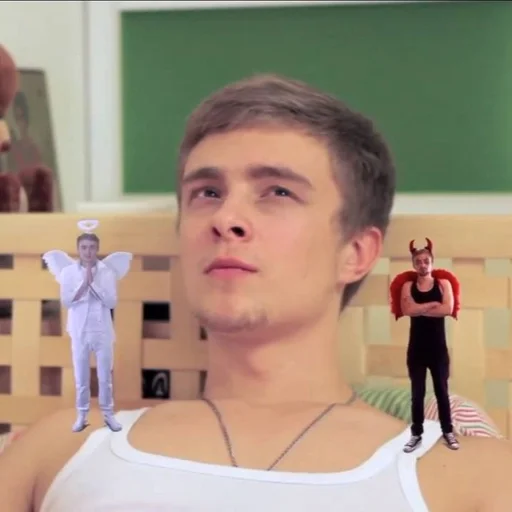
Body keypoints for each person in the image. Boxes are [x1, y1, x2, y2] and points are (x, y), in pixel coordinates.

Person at [0, 74, 511, 511]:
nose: (226, 218)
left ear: (355, 252)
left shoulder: (469, 475)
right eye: (207, 193)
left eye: (278, 192)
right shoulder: (62, 448)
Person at [42, 220, 132, 434]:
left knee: (104, 377)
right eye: (84, 247)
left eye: (92, 247)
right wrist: (83, 284)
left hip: (102, 331)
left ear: (97, 248)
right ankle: (82, 415)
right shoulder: (68, 273)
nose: (88, 251)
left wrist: (94, 284)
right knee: (81, 377)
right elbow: (67, 302)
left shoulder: (106, 272)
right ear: (78, 249)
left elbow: (111, 302)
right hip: (79, 331)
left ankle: (108, 414)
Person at [389, 239, 461, 454]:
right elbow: (408, 310)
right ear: (414, 264)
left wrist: (419, 308)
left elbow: (447, 309)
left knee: (442, 392)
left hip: (438, 349)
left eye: (426, 261)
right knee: (417, 393)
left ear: (432, 262)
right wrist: (431, 305)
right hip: (416, 349)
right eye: (418, 261)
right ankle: (416, 434)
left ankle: (447, 431)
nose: (422, 264)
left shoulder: (443, 284)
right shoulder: (408, 286)